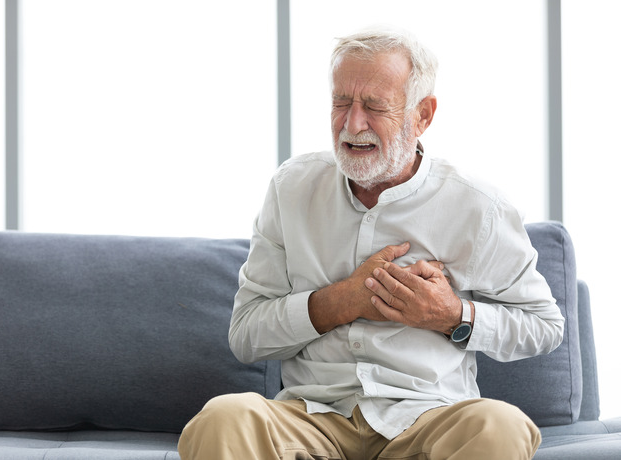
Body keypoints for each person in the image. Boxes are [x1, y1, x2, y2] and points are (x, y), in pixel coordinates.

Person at [178, 26, 565, 460]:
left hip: (426, 417)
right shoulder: (292, 188)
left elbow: (545, 327)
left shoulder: (478, 207)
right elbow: (246, 335)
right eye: (341, 102)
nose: (351, 123)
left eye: (374, 106)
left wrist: (452, 315)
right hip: (313, 417)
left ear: (423, 115)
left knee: (500, 426)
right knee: (223, 417)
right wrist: (342, 301)